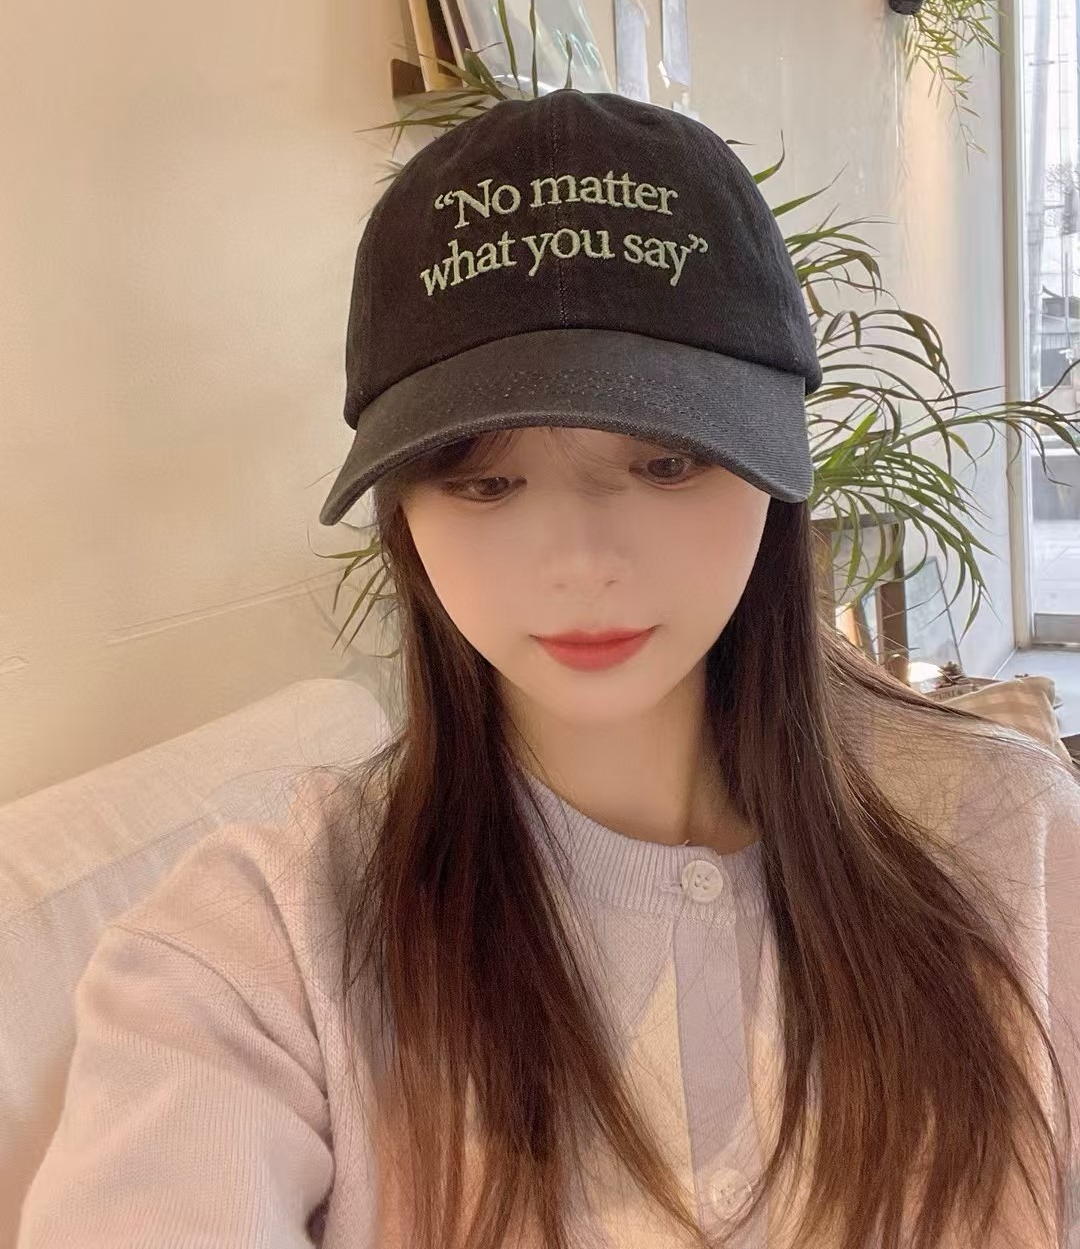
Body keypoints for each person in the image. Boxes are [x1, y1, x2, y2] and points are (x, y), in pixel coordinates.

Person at [15, 89, 1080, 1249]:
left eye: (666, 462)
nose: (579, 562)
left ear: (777, 468)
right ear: (403, 513)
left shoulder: (1009, 844)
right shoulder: (261, 949)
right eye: (484, 481)